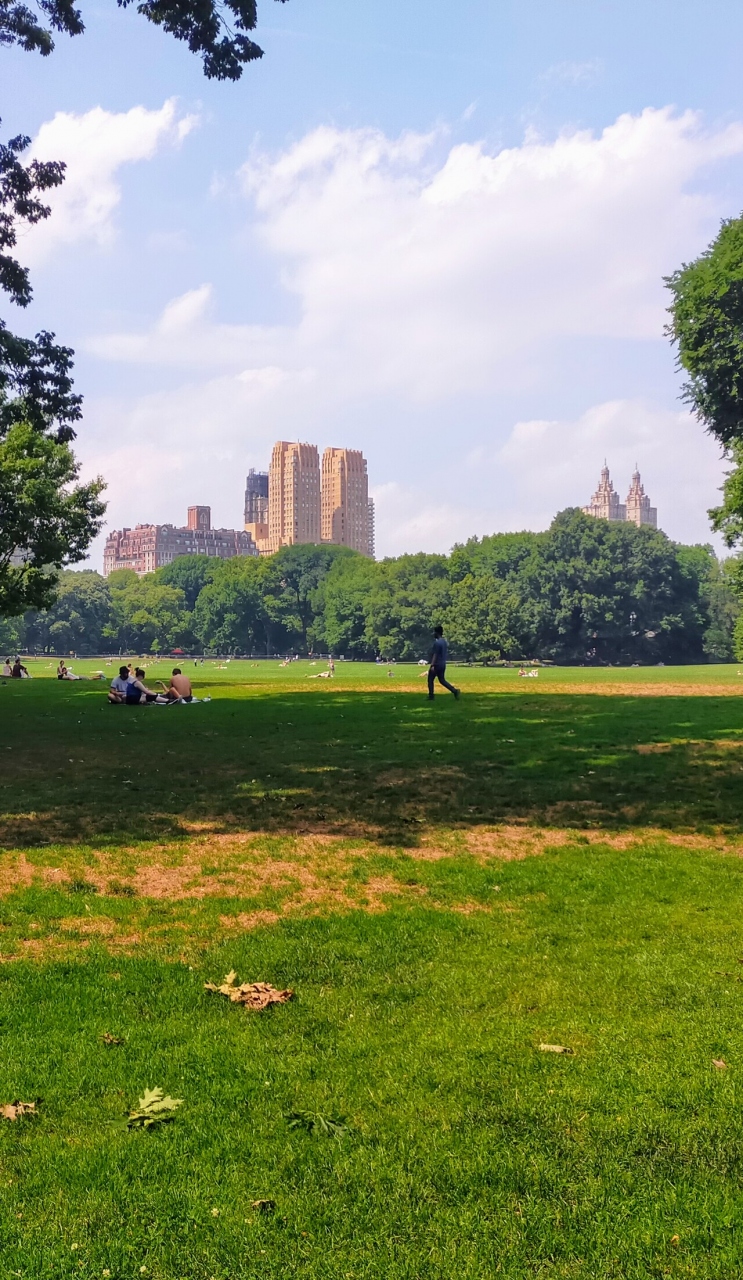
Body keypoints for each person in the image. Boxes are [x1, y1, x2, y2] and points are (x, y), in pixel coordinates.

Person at [427, 625, 459, 700]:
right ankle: (454, 690)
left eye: (434, 632)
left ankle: (431, 696)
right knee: (442, 680)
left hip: (436, 665)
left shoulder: (437, 643)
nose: (433, 634)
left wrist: (432, 665)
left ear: (437, 633)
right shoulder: (444, 642)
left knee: (430, 680)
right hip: (442, 664)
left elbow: (435, 654)